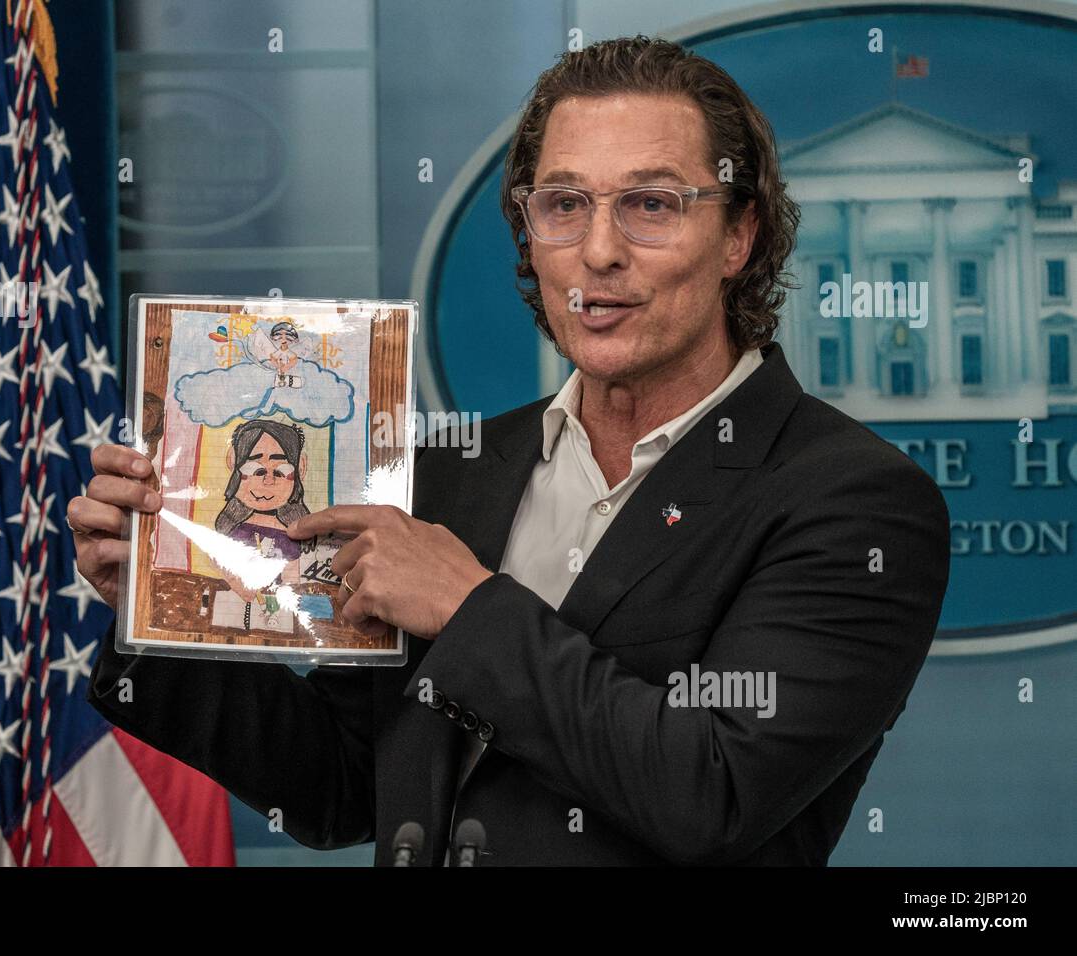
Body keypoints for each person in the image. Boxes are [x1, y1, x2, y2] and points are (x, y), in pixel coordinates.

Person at [69, 35, 950, 865]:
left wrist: (468, 607)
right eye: (565, 205)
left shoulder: (858, 501)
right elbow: (342, 787)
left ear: (739, 236)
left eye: (650, 205)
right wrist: (160, 600)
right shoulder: (446, 471)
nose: (599, 252)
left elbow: (710, 790)